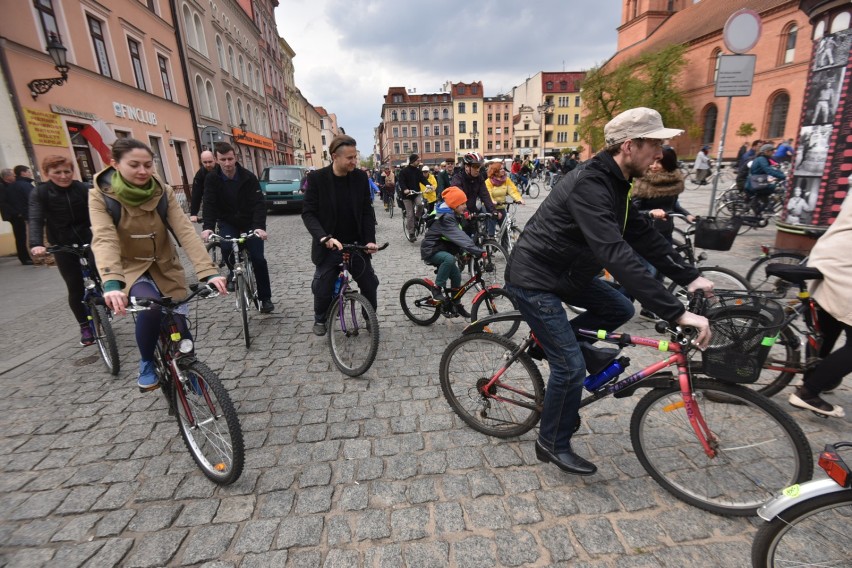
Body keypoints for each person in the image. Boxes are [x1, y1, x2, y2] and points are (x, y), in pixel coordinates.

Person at [504, 107, 713, 476]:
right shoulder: (591, 184)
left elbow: (640, 236)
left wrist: (690, 277)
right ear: (630, 146)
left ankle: (549, 340)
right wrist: (676, 312)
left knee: (619, 308)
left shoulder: (616, 182)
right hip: (534, 278)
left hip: (567, 274)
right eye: (655, 145)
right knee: (568, 367)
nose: (660, 154)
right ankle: (551, 441)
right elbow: (614, 252)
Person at [91, 138, 227, 390]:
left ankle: (188, 368)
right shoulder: (101, 195)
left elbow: (184, 231)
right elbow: (104, 238)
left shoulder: (162, 191)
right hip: (130, 268)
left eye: (148, 164)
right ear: (115, 164)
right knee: (151, 308)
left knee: (179, 321)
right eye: (134, 165)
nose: (143, 171)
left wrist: (208, 272)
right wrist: (111, 283)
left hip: (165, 265)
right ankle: (146, 362)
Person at [301, 134, 379, 336]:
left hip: (355, 244)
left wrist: (370, 240)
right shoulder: (317, 179)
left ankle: (369, 316)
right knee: (323, 284)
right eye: (350, 158)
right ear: (335, 156)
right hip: (330, 244)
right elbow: (308, 213)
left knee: (369, 282)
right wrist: (323, 237)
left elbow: (366, 211)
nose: (354, 161)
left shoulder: (361, 177)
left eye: (355, 157)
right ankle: (320, 317)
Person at [787, 197, 852, 418]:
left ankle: (813, 377)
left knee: (828, 325)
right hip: (845, 268)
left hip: (828, 260)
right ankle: (808, 391)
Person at [28, 155, 95, 345]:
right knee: (74, 287)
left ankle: (105, 303)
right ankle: (84, 326)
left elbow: (101, 210)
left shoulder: (84, 188)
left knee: (102, 273)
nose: (63, 176)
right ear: (47, 173)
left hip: (89, 239)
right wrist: (36, 244)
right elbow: (36, 218)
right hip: (61, 244)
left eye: (67, 171)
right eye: (57, 172)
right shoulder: (40, 193)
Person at [201, 142, 274, 314]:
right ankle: (233, 273)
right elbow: (209, 204)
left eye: (230, 159)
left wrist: (259, 227)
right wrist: (208, 227)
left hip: (250, 222)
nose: (227, 163)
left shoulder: (248, 177)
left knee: (258, 259)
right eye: (223, 159)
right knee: (226, 247)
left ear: (236, 158)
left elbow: (258, 204)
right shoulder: (212, 179)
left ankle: (265, 298)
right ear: (217, 160)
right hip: (228, 221)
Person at [631, 145, 694, 319]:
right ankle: (626, 299)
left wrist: (688, 216)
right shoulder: (643, 182)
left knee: (660, 272)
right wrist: (651, 212)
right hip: (646, 234)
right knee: (648, 273)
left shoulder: (673, 182)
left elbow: (674, 205)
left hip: (665, 233)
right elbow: (633, 211)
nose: (655, 164)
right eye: (654, 159)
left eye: (660, 161)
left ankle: (648, 308)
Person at [420, 187, 485, 319]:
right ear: (454, 204)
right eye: (462, 204)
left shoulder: (453, 214)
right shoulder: (446, 218)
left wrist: (464, 252)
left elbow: (456, 237)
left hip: (442, 248)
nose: (465, 206)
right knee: (449, 259)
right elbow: (459, 236)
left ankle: (456, 303)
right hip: (432, 250)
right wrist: (477, 250)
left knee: (456, 275)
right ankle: (437, 288)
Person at [449, 152, 497, 230]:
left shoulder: (479, 178)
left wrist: (493, 210)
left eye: (479, 167)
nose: (478, 170)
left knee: (477, 236)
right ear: (467, 167)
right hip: (458, 214)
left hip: (472, 212)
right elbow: (458, 198)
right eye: (475, 167)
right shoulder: (457, 179)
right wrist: (465, 211)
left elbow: (484, 195)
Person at [484, 161, 524, 236]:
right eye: (501, 169)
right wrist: (492, 201)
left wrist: (518, 199)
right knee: (491, 231)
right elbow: (487, 194)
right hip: (490, 208)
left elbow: (512, 190)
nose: (503, 170)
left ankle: (504, 247)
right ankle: (491, 244)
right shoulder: (488, 181)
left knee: (505, 232)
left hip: (501, 206)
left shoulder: (506, 180)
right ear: (495, 171)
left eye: (503, 168)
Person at [6, 165, 36, 265]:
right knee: (28, 236)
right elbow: (33, 199)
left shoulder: (11, 186)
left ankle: (25, 257)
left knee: (21, 237)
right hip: (26, 214)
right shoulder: (25, 185)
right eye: (28, 171)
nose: (30, 173)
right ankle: (34, 257)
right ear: (23, 173)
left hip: (18, 215)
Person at [746, 143, 786, 213]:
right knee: (776, 189)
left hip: (756, 182)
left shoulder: (762, 158)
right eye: (772, 151)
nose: (773, 153)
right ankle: (766, 209)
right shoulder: (762, 159)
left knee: (765, 197)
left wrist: (780, 174)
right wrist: (783, 176)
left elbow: (771, 169)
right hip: (756, 183)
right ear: (766, 151)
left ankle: (760, 211)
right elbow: (768, 170)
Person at [398, 154, 426, 241]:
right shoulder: (404, 171)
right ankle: (411, 233)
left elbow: (423, 179)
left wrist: (429, 185)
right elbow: (401, 182)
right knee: (410, 214)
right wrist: (405, 189)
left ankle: (417, 218)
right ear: (413, 161)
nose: (419, 162)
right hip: (407, 196)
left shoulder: (418, 171)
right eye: (418, 160)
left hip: (416, 193)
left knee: (421, 204)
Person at [189, 150, 216, 223]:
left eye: (210, 162)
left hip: (226, 207)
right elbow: (196, 194)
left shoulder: (221, 170)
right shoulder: (200, 174)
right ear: (201, 161)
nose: (208, 165)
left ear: (215, 159)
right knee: (208, 231)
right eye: (205, 162)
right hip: (209, 207)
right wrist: (193, 213)